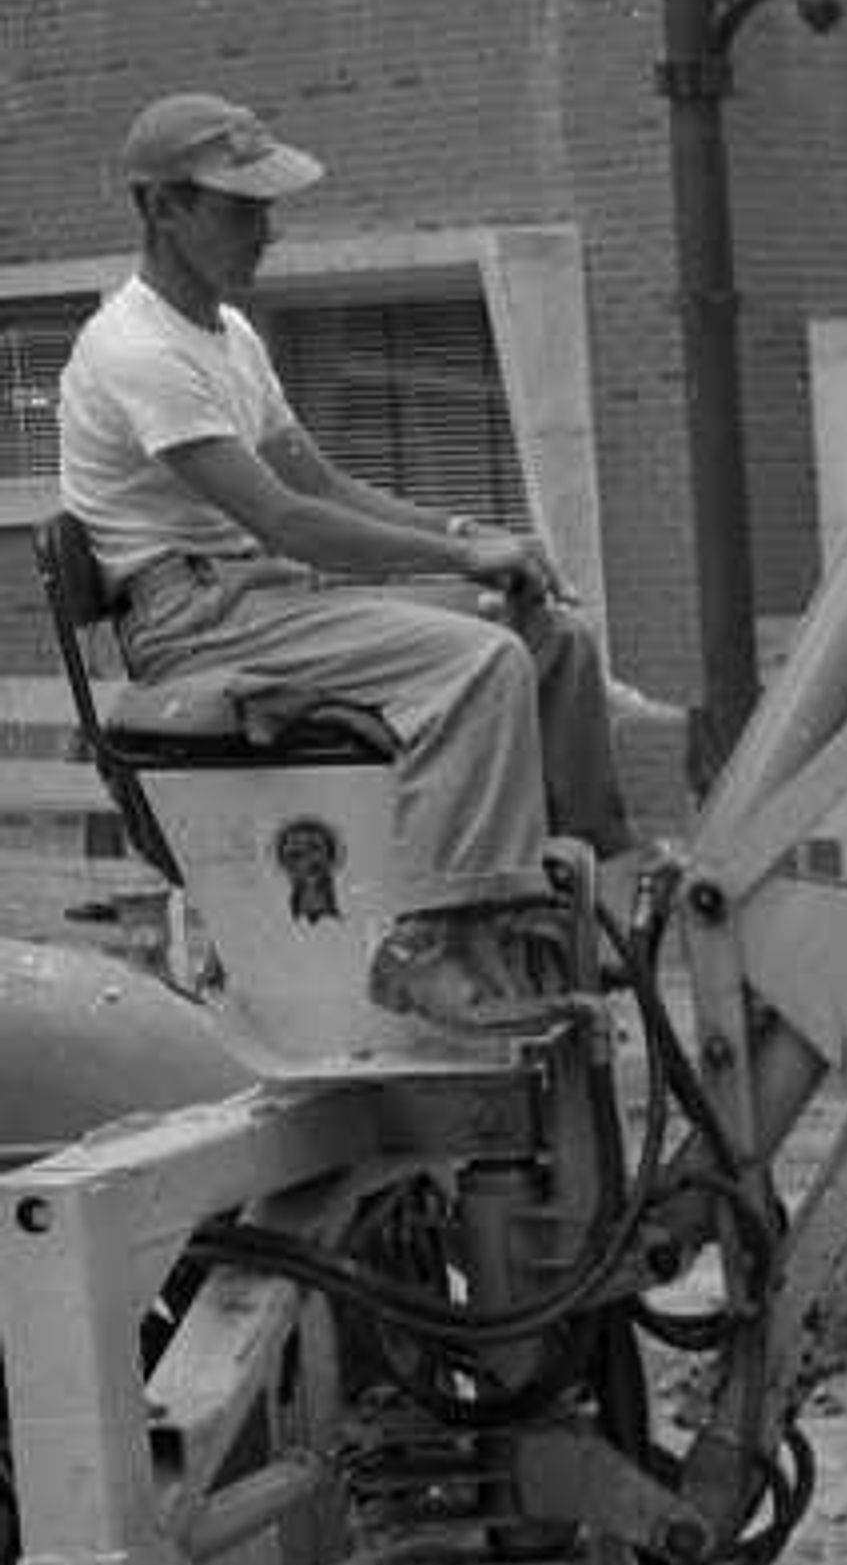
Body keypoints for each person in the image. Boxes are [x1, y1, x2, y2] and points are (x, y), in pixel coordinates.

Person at [54, 90, 654, 1039]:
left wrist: (473, 537)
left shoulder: (229, 335)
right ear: (161, 207)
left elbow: (325, 486)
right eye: (240, 208)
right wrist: (463, 554)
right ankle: (430, 940)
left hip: (254, 597)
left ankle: (592, 899)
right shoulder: (134, 349)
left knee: (550, 635)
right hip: (197, 626)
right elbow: (287, 521)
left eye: (266, 207)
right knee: (477, 664)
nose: (267, 230)